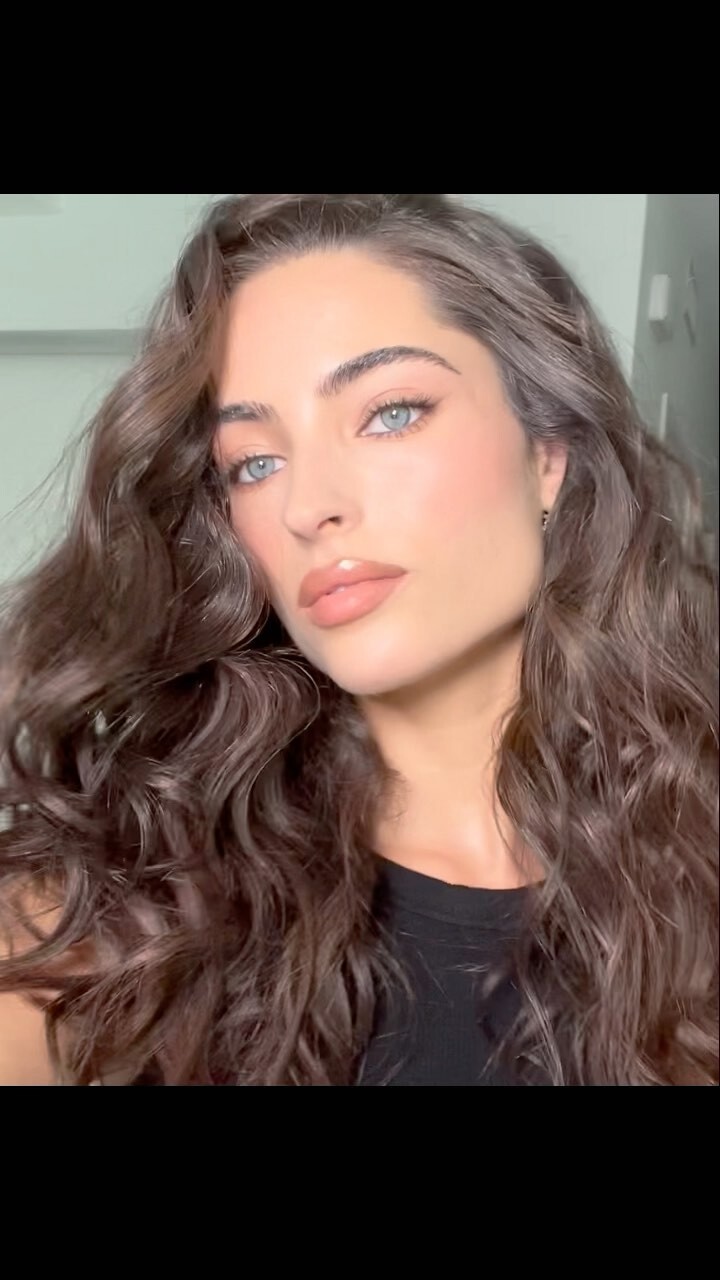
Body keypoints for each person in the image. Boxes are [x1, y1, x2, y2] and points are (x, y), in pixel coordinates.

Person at [0, 193, 717, 1087]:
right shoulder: (121, 902)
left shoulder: (697, 864)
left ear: (548, 455)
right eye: (255, 463)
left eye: (391, 413)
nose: (309, 506)